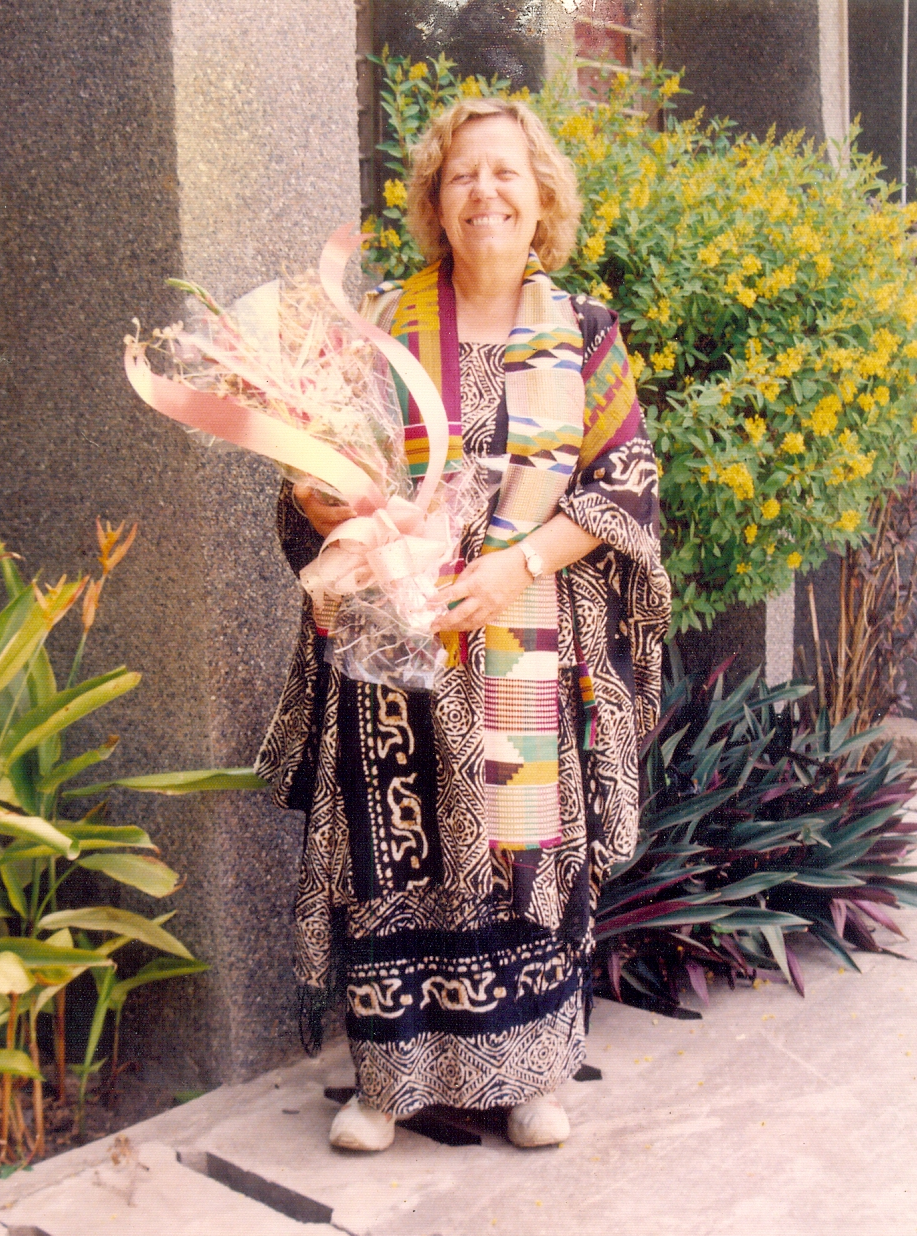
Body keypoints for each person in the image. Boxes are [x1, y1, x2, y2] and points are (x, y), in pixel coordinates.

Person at [256, 97, 671, 1151]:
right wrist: (318, 499)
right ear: (436, 203)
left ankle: (530, 1074)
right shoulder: (379, 325)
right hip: (392, 637)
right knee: (392, 845)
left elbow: (624, 486)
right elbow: (317, 468)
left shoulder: (584, 334)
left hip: (522, 630)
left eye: (505, 173)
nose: (484, 192)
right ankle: (386, 1083)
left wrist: (516, 564)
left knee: (521, 844)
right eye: (461, 176)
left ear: (541, 199)